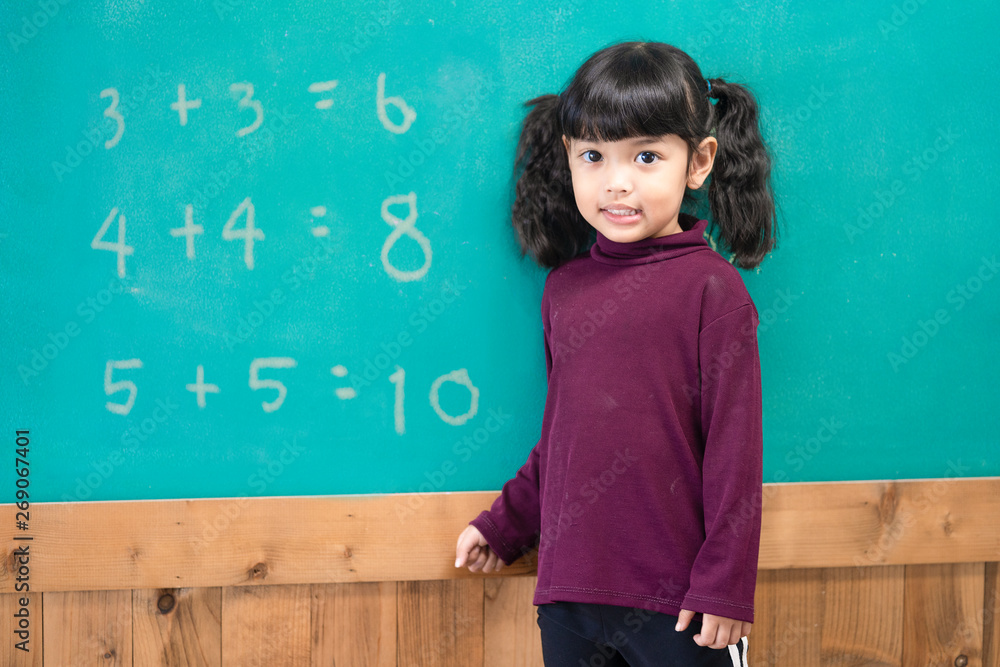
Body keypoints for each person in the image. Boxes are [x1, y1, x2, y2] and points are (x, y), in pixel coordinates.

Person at [455, 40, 777, 666]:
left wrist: (726, 584)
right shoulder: (564, 292)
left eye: (647, 156)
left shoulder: (714, 291)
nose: (617, 182)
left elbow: (736, 452)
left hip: (681, 605)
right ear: (570, 160)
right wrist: (505, 525)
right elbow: (562, 438)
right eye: (594, 156)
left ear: (699, 162)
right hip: (569, 599)